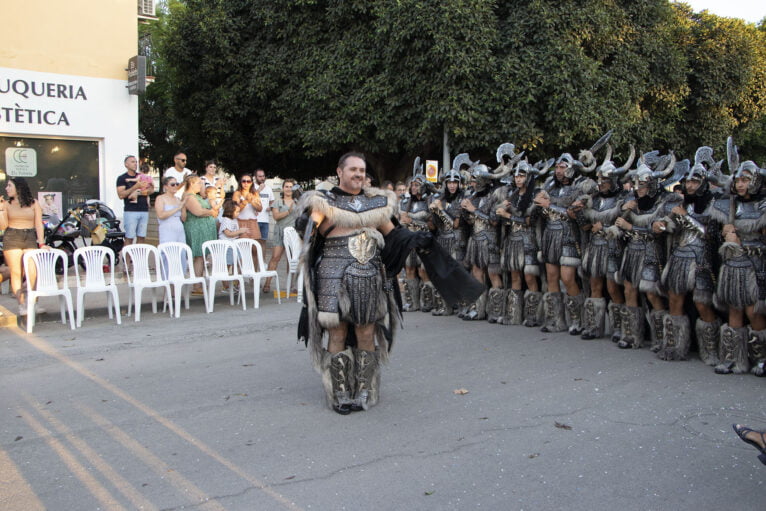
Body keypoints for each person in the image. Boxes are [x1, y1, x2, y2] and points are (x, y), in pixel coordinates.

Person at [296, 152, 483, 414]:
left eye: (361, 170)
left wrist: (415, 239)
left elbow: (394, 236)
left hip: (369, 276)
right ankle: (339, 391)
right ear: (339, 172)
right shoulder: (323, 201)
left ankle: (363, 387)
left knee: (365, 331)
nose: (358, 175)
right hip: (332, 275)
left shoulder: (377, 204)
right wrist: (306, 222)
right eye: (353, 170)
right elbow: (307, 234)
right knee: (337, 332)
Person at [652, 147, 721, 362]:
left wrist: (687, 219)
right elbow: (673, 224)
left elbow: (712, 235)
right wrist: (661, 225)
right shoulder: (681, 203)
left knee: (702, 303)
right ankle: (675, 346)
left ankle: (710, 349)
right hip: (680, 257)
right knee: (674, 300)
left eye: (695, 182)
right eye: (688, 182)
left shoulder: (714, 204)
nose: (690, 185)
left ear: (703, 183)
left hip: (702, 260)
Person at [708, 137, 766, 375]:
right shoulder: (729, 203)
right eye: (738, 180)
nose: (740, 184)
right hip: (732, 263)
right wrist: (726, 232)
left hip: (755, 266)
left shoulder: (763, 206)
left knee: (754, 311)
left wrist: (742, 241)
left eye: (745, 180)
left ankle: (761, 358)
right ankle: (733, 358)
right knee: (733, 308)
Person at [613, 151, 675, 349]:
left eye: (643, 184)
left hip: (651, 252)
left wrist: (631, 227)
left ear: (652, 185)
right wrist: (624, 209)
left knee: (651, 293)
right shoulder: (631, 200)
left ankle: (661, 338)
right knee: (629, 290)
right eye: (636, 183)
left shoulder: (664, 202)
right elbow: (617, 223)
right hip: (632, 251)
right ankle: (632, 335)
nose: (638, 188)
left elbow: (660, 230)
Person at [579, 146, 633, 340]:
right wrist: (584, 219)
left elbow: (623, 221)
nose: (600, 183)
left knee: (612, 287)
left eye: (605, 180)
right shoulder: (592, 199)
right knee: (595, 285)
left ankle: (619, 327)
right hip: (595, 246)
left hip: (612, 247)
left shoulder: (622, 199)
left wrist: (605, 226)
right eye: (599, 179)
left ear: (613, 181)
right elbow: (583, 222)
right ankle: (594, 326)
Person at [493, 158, 548, 326]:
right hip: (512, 241)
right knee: (514, 276)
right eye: (516, 176)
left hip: (528, 241)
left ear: (528, 177)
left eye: (522, 176)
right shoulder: (511, 195)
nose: (518, 179)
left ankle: (533, 315)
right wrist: (502, 212)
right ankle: (513, 314)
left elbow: (530, 221)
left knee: (530, 277)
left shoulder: (536, 195)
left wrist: (508, 215)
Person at [0, 177, 48, 315]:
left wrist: (41, 242)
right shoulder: (7, 204)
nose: (7, 188)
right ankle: (22, 305)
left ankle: (33, 303)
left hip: (29, 236)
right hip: (12, 236)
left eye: (10, 186)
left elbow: (39, 224)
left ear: (18, 187)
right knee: (16, 272)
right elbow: (3, 226)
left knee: (33, 272)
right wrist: (1, 210)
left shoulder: (33, 203)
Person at [182, 176, 219, 294]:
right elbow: (197, 211)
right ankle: (196, 285)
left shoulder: (197, 196)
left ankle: (199, 282)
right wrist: (211, 212)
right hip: (196, 229)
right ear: (191, 184)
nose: (201, 185)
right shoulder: (189, 197)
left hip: (203, 228)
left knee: (202, 257)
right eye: (198, 183)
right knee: (198, 256)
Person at [262, 179, 299, 294]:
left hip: (293, 233)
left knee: (292, 260)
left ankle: (292, 285)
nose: (288, 189)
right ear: (283, 188)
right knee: (275, 257)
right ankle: (267, 283)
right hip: (280, 232)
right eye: (286, 186)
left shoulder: (298, 202)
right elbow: (276, 217)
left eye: (291, 187)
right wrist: (289, 211)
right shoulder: (278, 202)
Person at [116, 155, 154, 245]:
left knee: (141, 237)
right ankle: (127, 259)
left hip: (144, 210)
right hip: (131, 211)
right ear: (126, 164)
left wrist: (140, 193)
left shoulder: (141, 176)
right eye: (132, 162)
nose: (135, 164)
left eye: (136, 162)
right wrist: (135, 187)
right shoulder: (122, 178)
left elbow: (151, 190)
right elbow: (121, 195)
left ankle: (138, 258)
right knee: (129, 237)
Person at [154, 176, 188, 277]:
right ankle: (168, 286)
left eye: (177, 184)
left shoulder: (178, 199)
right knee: (168, 256)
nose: (175, 186)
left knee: (181, 255)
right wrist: (178, 207)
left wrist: (183, 207)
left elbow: (183, 218)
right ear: (166, 186)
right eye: (172, 184)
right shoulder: (160, 198)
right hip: (167, 229)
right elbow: (161, 215)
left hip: (179, 229)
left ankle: (179, 282)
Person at [232, 172, 262, 261]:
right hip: (241, 222)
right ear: (240, 182)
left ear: (251, 182)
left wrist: (252, 201)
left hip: (253, 222)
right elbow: (235, 209)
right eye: (243, 181)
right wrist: (245, 201)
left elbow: (260, 208)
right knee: (243, 251)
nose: (246, 183)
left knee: (255, 250)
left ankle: (255, 273)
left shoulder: (255, 193)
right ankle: (242, 273)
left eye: (248, 181)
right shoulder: (237, 193)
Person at [254, 169, 274, 250]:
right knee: (255, 242)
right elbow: (250, 198)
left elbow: (272, 200)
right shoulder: (252, 187)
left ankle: (262, 262)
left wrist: (271, 207)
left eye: (263, 176)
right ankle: (254, 262)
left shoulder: (268, 188)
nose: (262, 178)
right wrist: (259, 190)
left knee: (263, 242)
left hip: (265, 219)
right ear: (255, 177)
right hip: (255, 219)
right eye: (260, 176)